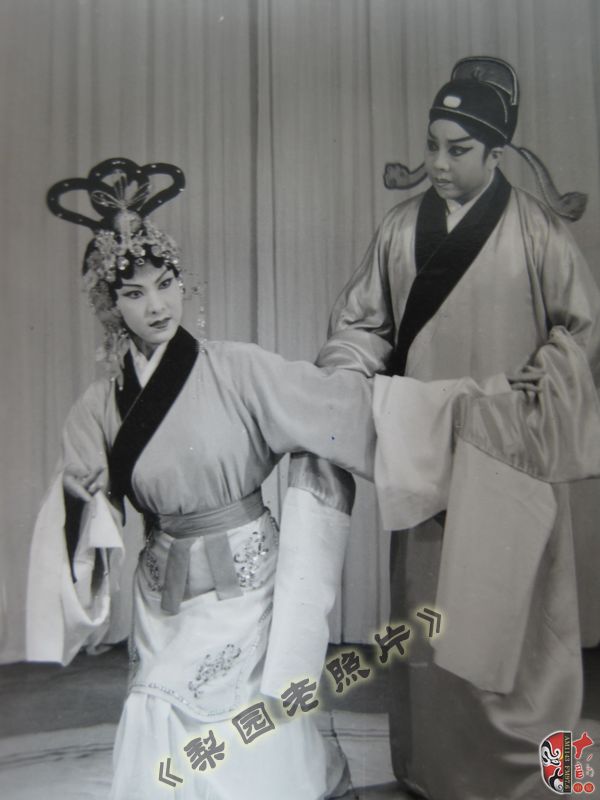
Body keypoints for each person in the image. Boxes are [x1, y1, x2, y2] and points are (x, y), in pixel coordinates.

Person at [290, 57, 600, 799]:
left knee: (529, 642)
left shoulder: (537, 231)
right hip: (426, 456)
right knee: (434, 629)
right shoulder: (401, 229)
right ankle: (435, 777)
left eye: (457, 149)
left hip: (511, 457)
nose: (437, 163)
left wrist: (548, 370)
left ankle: (557, 783)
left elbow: (580, 329)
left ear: (495, 153)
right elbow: (361, 324)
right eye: (431, 145)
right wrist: (345, 372)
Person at [26, 158, 378, 800]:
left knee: (251, 717)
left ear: (182, 282)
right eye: (134, 293)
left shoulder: (238, 370)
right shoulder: (98, 407)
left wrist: (420, 403)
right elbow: (81, 505)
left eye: (165, 283)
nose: (157, 304)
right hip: (165, 586)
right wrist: (84, 505)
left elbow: (335, 408)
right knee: (160, 705)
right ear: (111, 306)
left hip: (247, 577)